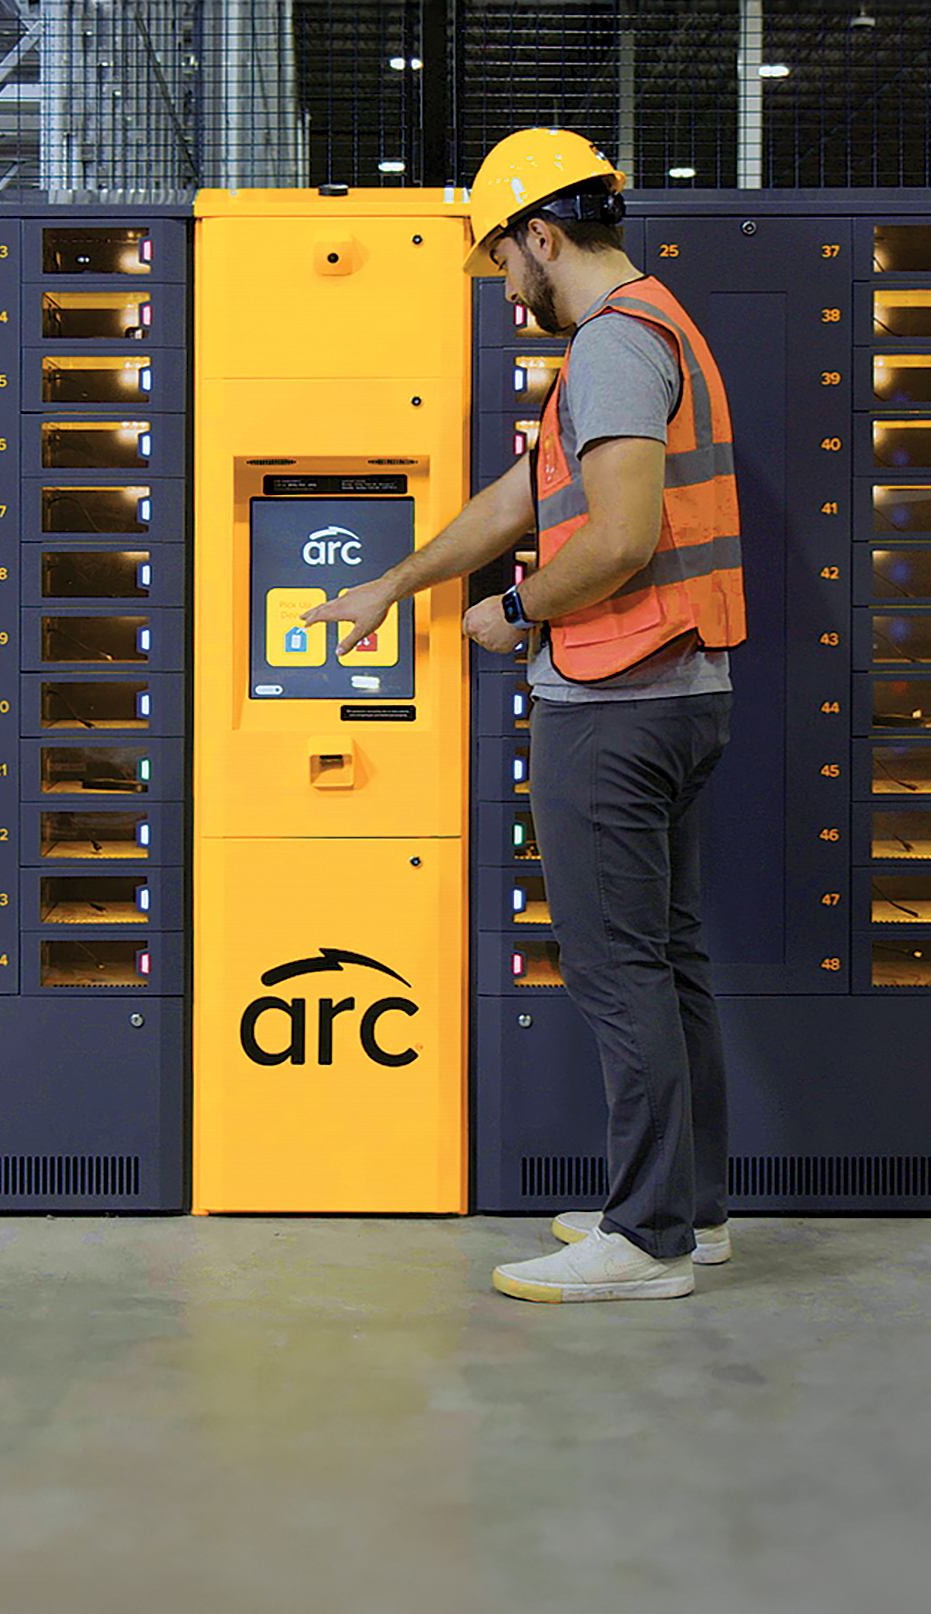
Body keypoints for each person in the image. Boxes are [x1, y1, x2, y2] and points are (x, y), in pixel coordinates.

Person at [303, 127, 746, 1303]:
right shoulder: (650, 326)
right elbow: (527, 491)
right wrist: (394, 583)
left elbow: (616, 536)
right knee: (667, 960)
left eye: (502, 261)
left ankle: (643, 1239)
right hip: (678, 692)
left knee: (614, 970)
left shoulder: (609, 345)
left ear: (540, 235)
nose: (504, 288)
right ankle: (687, 1212)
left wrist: (515, 612)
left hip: (614, 693)